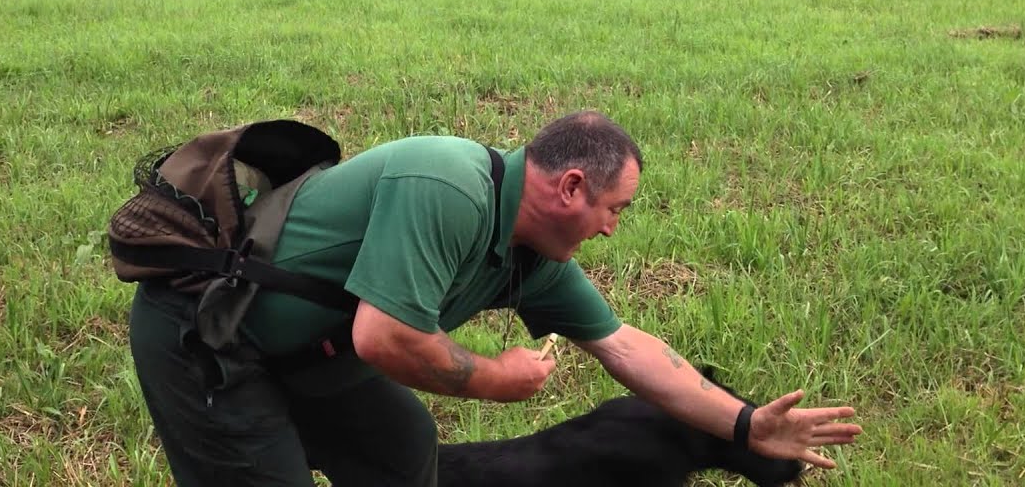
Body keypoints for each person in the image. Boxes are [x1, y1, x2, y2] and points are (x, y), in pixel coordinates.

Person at [127, 110, 862, 486]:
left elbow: (629, 349)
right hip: (212, 344)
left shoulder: (530, 259)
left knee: (404, 449)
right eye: (615, 209)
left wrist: (742, 426)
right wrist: (494, 378)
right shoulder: (444, 185)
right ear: (571, 187)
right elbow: (384, 340)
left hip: (305, 353)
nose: (611, 229)